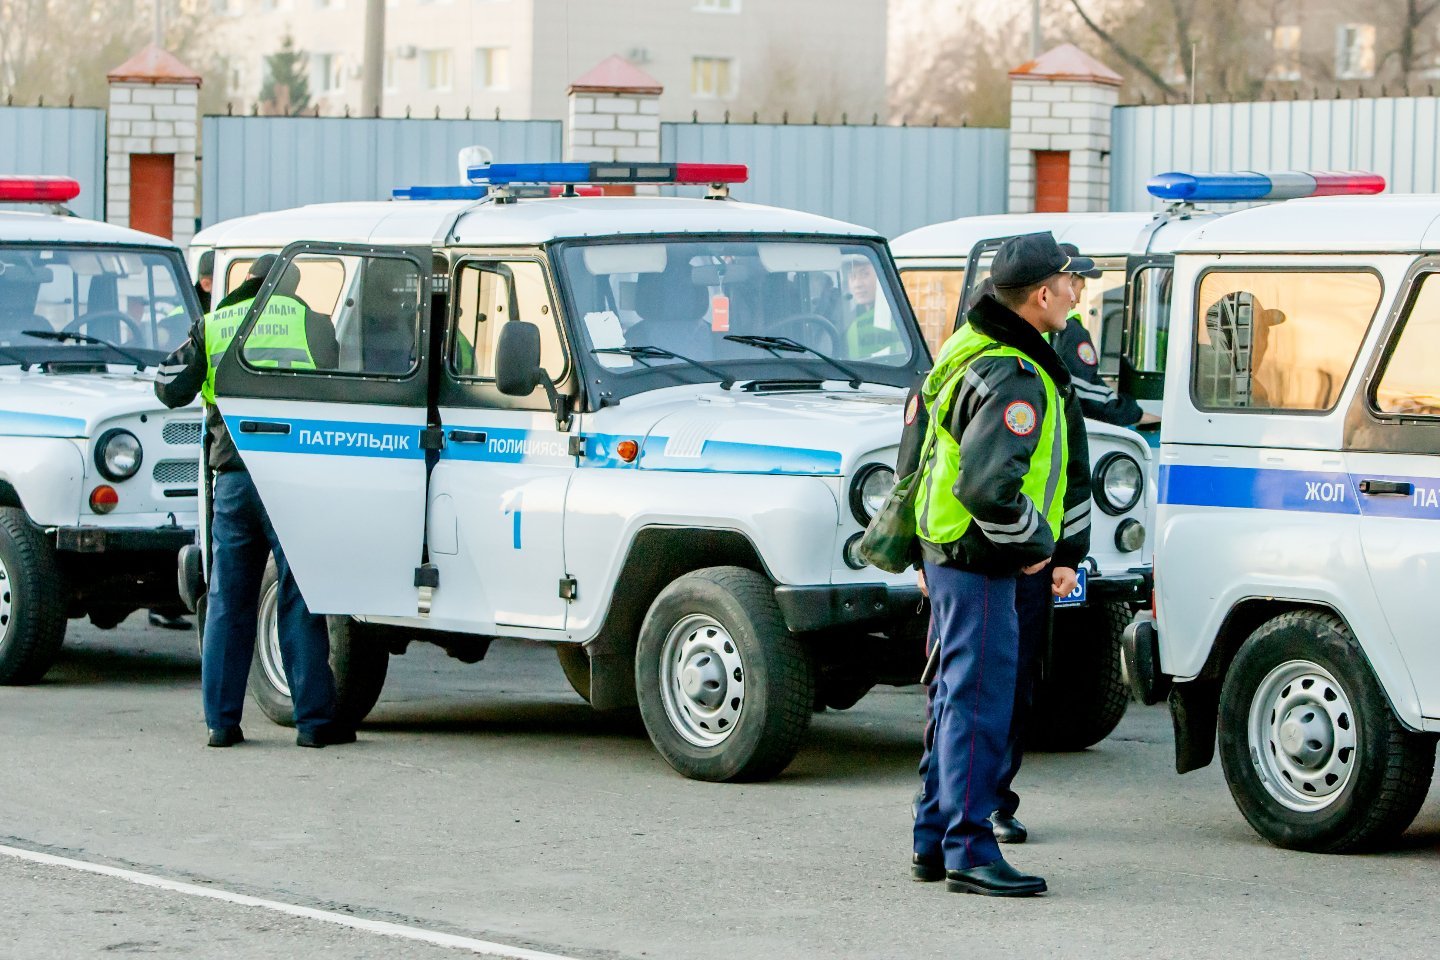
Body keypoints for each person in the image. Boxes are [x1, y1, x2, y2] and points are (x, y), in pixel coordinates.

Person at [909, 233, 1091, 897]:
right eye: (1071, 282)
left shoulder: (969, 348)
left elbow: (920, 443)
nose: (1076, 292)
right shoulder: (1016, 374)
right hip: (985, 560)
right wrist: (1033, 547)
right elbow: (986, 487)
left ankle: (935, 840)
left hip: (951, 553)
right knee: (981, 707)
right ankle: (970, 849)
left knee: (957, 703)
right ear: (1042, 294)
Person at [154, 254, 352, 749]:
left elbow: (168, 387)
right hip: (291, 476)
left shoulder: (215, 324)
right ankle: (313, 723)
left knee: (228, 600)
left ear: (247, 282)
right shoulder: (312, 322)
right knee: (299, 595)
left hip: (235, 480)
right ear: (290, 285)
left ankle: (221, 723)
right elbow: (338, 391)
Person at [1050, 243, 1159, 428]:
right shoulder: (1069, 328)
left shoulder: (1037, 325)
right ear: (1069, 281)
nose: (1078, 298)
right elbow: (1083, 389)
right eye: (1080, 289)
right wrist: (1132, 413)